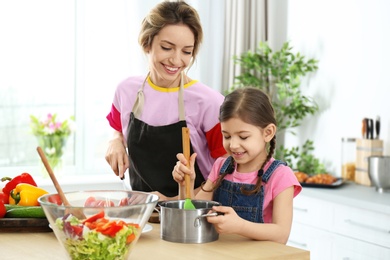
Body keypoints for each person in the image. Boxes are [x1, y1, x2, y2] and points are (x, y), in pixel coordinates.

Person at [105, 1, 226, 200]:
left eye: (187, 51)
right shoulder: (126, 91)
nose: (177, 60)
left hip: (191, 216)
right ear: (146, 43)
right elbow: (117, 128)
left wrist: (171, 203)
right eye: (167, 48)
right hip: (142, 214)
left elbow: (225, 173)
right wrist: (115, 141)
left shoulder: (210, 102)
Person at [172, 87, 302, 244]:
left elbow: (281, 234)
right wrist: (186, 184)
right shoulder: (221, 166)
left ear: (268, 132)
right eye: (226, 136)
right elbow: (192, 215)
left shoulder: (281, 175)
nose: (233, 145)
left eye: (243, 137)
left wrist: (240, 226)